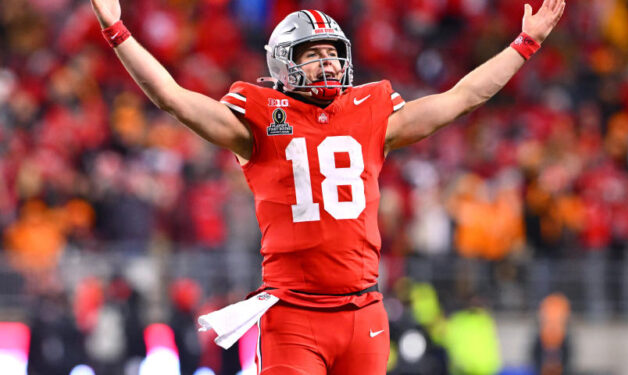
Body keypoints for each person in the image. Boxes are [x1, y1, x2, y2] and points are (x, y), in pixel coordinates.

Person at [89, 0, 566, 373]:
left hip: (364, 312)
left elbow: (461, 98)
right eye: (313, 55)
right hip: (293, 314)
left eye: (333, 54)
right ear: (283, 63)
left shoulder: (371, 110)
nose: (328, 64)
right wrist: (117, 32)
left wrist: (524, 44)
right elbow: (172, 99)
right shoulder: (259, 118)